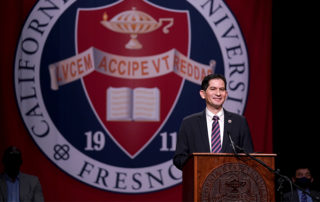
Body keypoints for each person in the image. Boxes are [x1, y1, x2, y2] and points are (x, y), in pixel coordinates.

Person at [173, 74, 254, 170]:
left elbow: (249, 157)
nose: (218, 93)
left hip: (232, 181)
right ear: (203, 94)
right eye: (213, 89)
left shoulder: (239, 122)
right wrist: (199, 166)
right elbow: (179, 158)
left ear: (226, 94)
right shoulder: (189, 123)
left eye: (222, 89)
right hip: (200, 181)